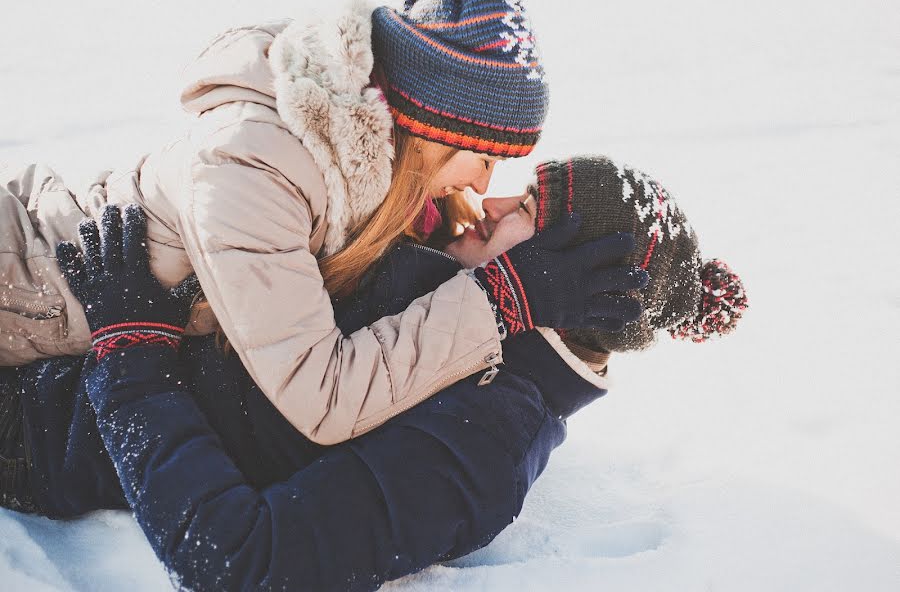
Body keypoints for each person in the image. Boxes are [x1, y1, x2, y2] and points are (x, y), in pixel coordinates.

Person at [1, 155, 747, 591]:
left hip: (29, 435)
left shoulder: (482, 444)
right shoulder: (459, 305)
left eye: (521, 209)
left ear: (569, 277)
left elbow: (239, 559)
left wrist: (131, 352)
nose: (486, 200)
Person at [0, 0, 645, 446]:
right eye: (482, 157)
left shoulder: (360, 166)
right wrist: (498, 301)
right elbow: (324, 395)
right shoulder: (259, 165)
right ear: (427, 133)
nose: (484, 185)